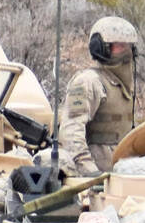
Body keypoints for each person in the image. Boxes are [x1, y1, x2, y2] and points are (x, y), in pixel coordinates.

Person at [57, 16, 139, 175]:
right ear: (101, 49)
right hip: (98, 173)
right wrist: (89, 170)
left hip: (122, 169)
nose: (126, 52)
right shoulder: (87, 82)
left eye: (128, 46)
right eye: (119, 46)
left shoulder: (123, 85)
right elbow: (71, 131)